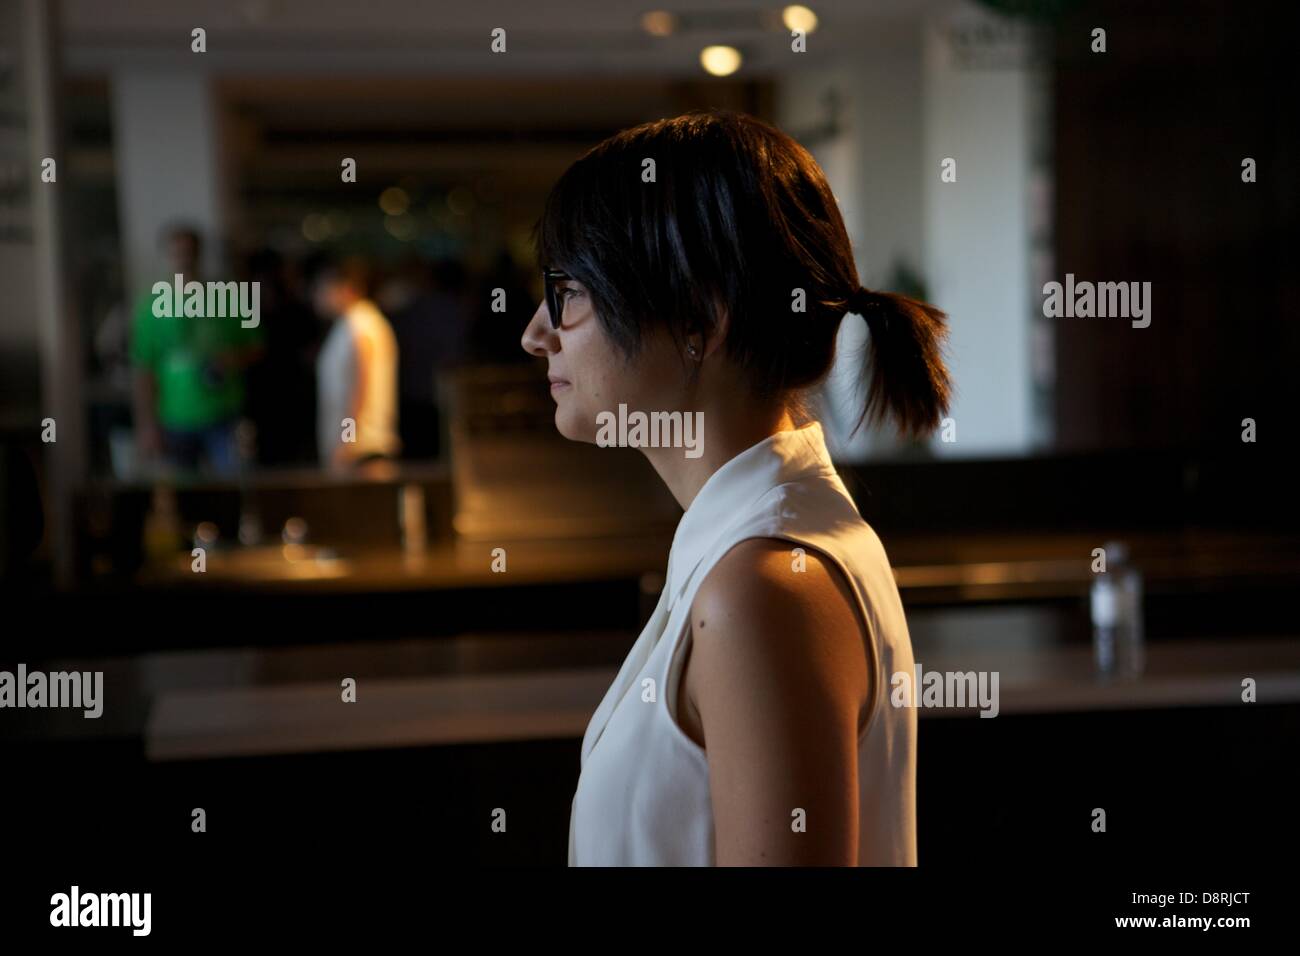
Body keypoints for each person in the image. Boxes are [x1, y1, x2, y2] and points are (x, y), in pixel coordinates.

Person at [522, 109, 952, 866]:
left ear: (701, 318)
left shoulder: (763, 584)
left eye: (568, 291)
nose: (536, 331)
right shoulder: (755, 541)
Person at [130, 224, 263, 475]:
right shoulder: (150, 306)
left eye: (189, 252)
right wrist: (146, 425)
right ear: (167, 257)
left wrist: (231, 360)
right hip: (175, 418)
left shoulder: (228, 297)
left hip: (224, 414)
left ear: (199, 254)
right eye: (177, 253)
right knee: (184, 497)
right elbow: (143, 368)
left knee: (235, 487)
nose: (184, 259)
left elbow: (256, 347)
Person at [308, 255, 401, 471]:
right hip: (358, 448)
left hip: (362, 450)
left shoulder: (360, 325)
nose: (318, 297)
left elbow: (360, 387)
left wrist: (346, 439)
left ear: (345, 289)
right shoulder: (354, 323)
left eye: (323, 289)